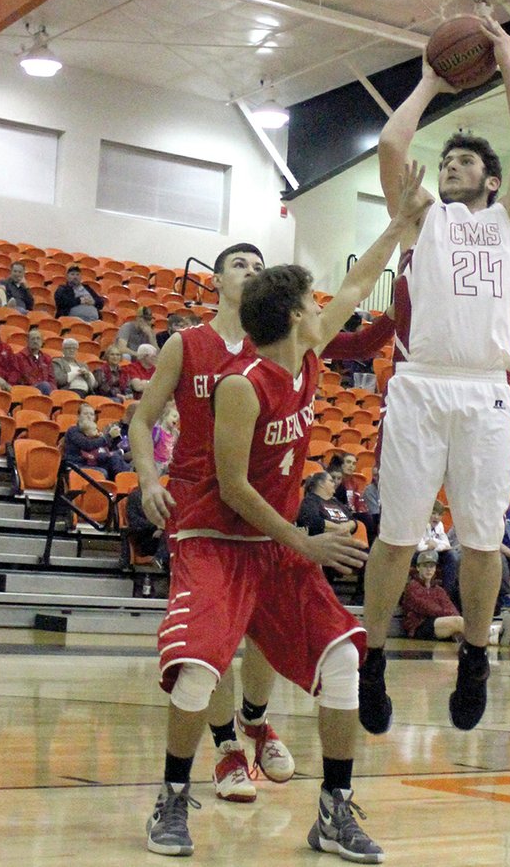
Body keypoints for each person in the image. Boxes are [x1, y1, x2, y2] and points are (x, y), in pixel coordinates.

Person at [143, 168, 424, 859]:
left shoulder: (308, 354)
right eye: (310, 300)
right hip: (216, 535)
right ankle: (173, 798)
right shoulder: (242, 386)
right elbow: (235, 487)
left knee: (341, 663)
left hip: (273, 544)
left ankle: (332, 809)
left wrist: (398, 224)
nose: (322, 307)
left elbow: (357, 285)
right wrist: (305, 539)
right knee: (201, 667)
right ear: (297, 313)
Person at [359, 17, 510, 734]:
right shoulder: (420, 219)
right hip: (420, 383)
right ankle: (372, 657)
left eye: (464, 164)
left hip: (486, 391)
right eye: (448, 163)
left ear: (491, 181)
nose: (450, 169)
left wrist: (506, 65)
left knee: (477, 537)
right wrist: (433, 79)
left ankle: (474, 652)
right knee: (398, 536)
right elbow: (391, 143)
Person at [129, 242, 294, 807]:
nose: (251, 272)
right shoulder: (187, 343)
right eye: (239, 265)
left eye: (257, 266)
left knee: (267, 632)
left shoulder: (270, 348)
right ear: (217, 282)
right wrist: (150, 480)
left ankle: (256, 720)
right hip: (200, 505)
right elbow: (142, 418)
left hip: (262, 504)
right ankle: (226, 748)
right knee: (215, 636)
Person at [402, 552, 465, 642]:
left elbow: (450, 607)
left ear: (435, 569)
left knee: (458, 630)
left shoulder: (438, 589)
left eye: (431, 566)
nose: (429, 569)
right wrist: (450, 615)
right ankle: (484, 638)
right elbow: (428, 608)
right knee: (458, 622)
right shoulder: (412, 587)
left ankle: (486, 640)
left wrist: (451, 615)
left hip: (437, 622)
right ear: (418, 568)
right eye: (425, 566)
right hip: (419, 626)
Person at [63, 402, 130, 479]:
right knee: (102, 472)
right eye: (85, 414)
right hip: (78, 465)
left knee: (114, 457)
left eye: (92, 414)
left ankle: (128, 479)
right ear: (78, 416)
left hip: (95, 463)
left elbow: (108, 449)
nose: (89, 416)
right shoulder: (74, 430)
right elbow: (87, 445)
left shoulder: (96, 432)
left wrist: (116, 438)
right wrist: (108, 436)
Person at [15, 328, 57, 394]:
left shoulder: (46, 358)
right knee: (45, 385)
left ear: (42, 342)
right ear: (27, 341)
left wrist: (53, 390)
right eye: (33, 339)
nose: (35, 341)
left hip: (46, 389)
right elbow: (19, 378)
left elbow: (51, 379)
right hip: (28, 390)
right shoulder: (19, 357)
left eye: (38, 339)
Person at [152, 402, 179, 475]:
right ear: (165, 415)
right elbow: (150, 447)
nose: (176, 420)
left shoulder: (175, 433)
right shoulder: (157, 431)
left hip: (167, 464)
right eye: (174, 416)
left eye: (178, 419)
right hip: (156, 463)